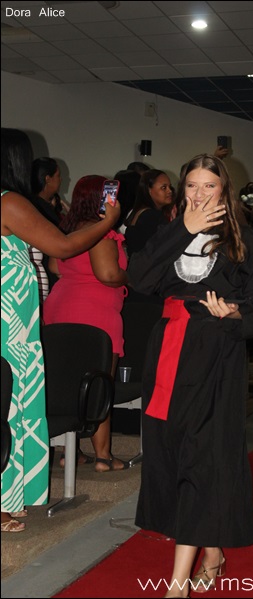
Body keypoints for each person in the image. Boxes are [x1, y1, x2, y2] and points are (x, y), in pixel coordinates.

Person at [128, 154, 253, 598]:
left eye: (209, 186)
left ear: (224, 190)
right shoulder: (168, 232)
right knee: (173, 452)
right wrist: (184, 229)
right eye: (191, 185)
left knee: (201, 455)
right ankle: (212, 551)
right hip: (168, 352)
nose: (199, 194)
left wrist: (235, 312)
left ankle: (177, 586)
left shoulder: (245, 241)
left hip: (216, 354)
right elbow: (139, 278)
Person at [1, 128, 120, 532]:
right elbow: (63, 247)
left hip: (13, 319)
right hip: (9, 323)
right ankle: (3, 500)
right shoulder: (8, 202)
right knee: (10, 404)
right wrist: (108, 222)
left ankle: (10, 495)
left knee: (10, 402)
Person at [43, 175, 130, 472]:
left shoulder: (67, 230)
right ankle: (103, 456)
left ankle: (70, 451)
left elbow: (54, 266)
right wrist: (132, 276)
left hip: (60, 306)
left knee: (66, 383)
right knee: (99, 385)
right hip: (95, 311)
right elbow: (108, 274)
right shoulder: (101, 232)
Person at [29, 157, 64, 304]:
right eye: (58, 176)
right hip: (46, 272)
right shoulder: (40, 209)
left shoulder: (35, 205)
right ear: (47, 179)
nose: (61, 180)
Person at [124, 169, 174, 258]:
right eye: (164, 187)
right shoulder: (151, 216)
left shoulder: (140, 212)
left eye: (170, 187)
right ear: (149, 190)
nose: (170, 191)